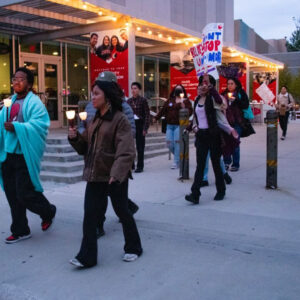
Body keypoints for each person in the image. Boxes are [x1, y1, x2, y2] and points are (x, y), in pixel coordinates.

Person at [68, 80, 143, 268]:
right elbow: (85, 147)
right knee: (90, 216)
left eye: (96, 94)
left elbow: (126, 151)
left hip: (114, 177)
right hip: (95, 175)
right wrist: (75, 137)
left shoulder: (120, 119)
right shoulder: (95, 120)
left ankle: (134, 247)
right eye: (92, 94)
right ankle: (87, 257)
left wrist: (116, 174)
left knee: (123, 212)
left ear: (107, 97)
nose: (92, 97)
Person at [78, 71, 139, 238]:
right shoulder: (92, 107)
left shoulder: (123, 110)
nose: (94, 97)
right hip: (96, 163)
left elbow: (128, 135)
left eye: (98, 92)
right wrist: (79, 134)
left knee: (119, 205)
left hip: (113, 164)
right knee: (95, 205)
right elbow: (87, 129)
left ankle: (133, 242)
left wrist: (118, 166)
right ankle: (97, 228)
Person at [0, 67, 56, 244]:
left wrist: (17, 127)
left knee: (24, 193)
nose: (16, 82)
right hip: (8, 155)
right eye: (14, 78)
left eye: (21, 79)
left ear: (30, 84)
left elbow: (40, 125)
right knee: (11, 194)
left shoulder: (35, 103)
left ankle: (48, 211)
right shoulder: (10, 101)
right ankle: (20, 230)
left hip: (24, 155)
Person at [185, 74, 235, 203]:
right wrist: (190, 128)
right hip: (201, 136)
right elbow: (196, 118)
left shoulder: (213, 98)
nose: (203, 86)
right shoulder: (197, 100)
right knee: (200, 166)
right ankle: (195, 194)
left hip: (213, 135)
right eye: (201, 83)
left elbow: (221, 103)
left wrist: (212, 90)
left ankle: (221, 190)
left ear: (211, 85)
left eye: (205, 83)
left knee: (216, 163)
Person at [155, 84, 192, 169]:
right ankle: (180, 157)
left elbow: (190, 112)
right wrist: (156, 118)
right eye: (177, 89)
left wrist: (184, 107)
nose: (178, 91)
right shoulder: (170, 100)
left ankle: (176, 162)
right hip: (169, 125)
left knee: (177, 142)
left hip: (179, 125)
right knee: (169, 143)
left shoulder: (186, 101)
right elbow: (163, 110)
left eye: (180, 89)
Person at [222, 77, 250, 172]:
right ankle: (226, 162)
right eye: (228, 83)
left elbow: (245, 105)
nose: (229, 85)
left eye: (231, 83)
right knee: (225, 143)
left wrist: (236, 100)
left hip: (237, 122)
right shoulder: (223, 94)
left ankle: (235, 163)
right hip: (226, 123)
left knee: (235, 142)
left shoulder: (240, 93)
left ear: (236, 84)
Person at [127, 82, 150, 173]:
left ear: (139, 90)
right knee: (130, 147)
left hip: (140, 124)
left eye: (135, 88)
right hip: (131, 124)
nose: (133, 90)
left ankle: (140, 166)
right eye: (132, 88)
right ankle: (131, 165)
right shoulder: (128, 101)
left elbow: (147, 115)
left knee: (140, 147)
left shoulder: (143, 100)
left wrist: (145, 128)